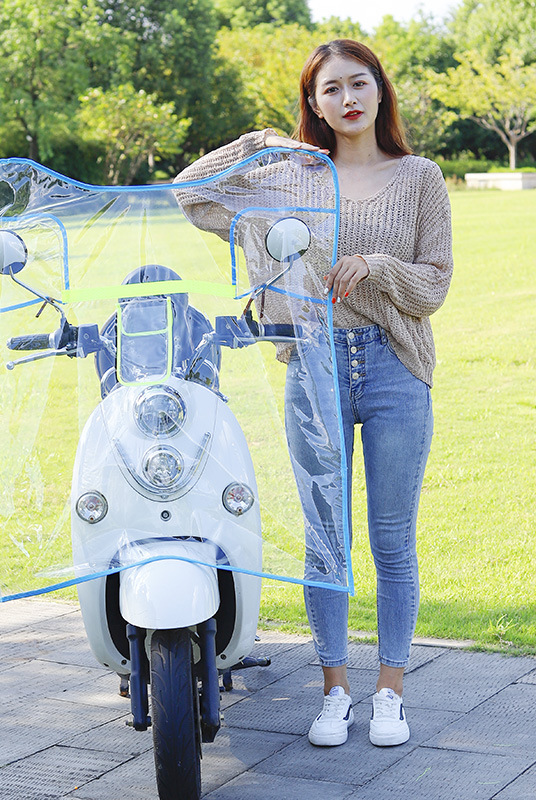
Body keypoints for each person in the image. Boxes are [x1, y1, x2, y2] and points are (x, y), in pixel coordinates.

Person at [175, 39, 453, 749]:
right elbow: (191, 192)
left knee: (392, 541)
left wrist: (379, 266)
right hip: (313, 364)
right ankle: (335, 692)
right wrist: (261, 140)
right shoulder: (285, 175)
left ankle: (389, 693)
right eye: (330, 90)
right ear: (314, 103)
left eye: (359, 84)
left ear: (381, 91)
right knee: (326, 539)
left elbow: (435, 282)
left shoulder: (420, 176)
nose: (348, 99)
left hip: (394, 366)